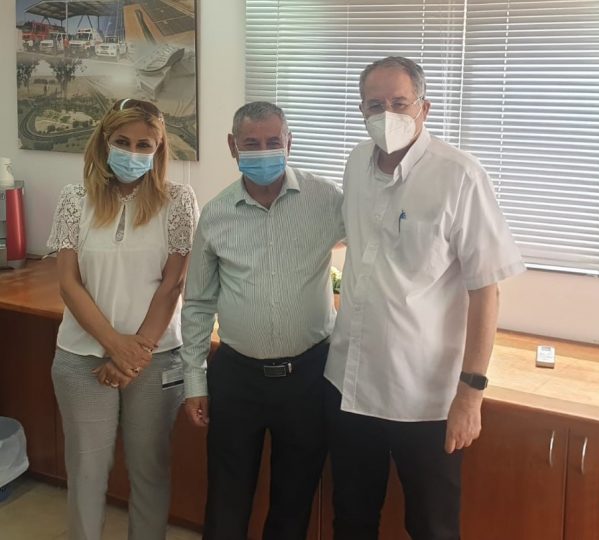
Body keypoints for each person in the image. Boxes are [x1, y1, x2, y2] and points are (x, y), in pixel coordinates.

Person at [324, 56, 526, 540]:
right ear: (361, 110)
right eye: (375, 104)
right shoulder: (356, 163)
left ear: (424, 107)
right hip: (350, 384)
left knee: (432, 527)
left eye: (399, 103)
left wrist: (470, 395)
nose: (387, 114)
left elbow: (486, 290)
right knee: (351, 518)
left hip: (425, 398)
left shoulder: (459, 176)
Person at [180, 101, 344, 540]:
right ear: (232, 146)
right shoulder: (216, 214)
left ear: (290, 142)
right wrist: (194, 381)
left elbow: (378, 243)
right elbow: (197, 303)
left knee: (294, 499)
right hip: (237, 378)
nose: (263, 151)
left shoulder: (326, 201)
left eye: (273, 141)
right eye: (251, 143)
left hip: (308, 377)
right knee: (227, 499)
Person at [47, 98, 199, 540]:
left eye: (143, 145)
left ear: (158, 148)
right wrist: (116, 346)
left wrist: (135, 355)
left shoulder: (179, 200)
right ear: (104, 141)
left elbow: (173, 284)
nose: (132, 152)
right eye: (122, 141)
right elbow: (68, 283)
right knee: (86, 472)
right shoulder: (75, 199)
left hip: (156, 358)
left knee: (150, 468)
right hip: (81, 357)